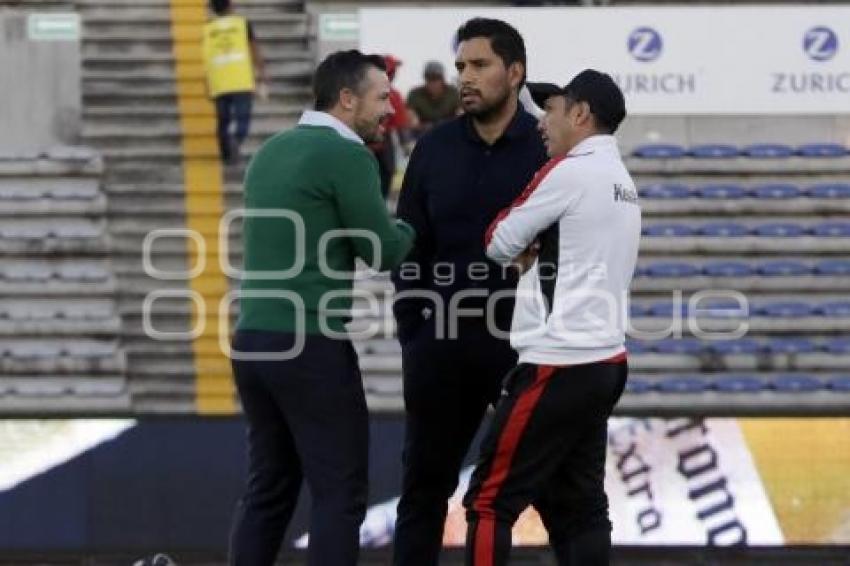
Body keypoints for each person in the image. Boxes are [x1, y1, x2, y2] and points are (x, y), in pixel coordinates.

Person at [229, 50, 415, 566]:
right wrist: (417, 224)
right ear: (347, 99)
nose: (389, 110)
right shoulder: (347, 154)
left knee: (268, 489)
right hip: (309, 344)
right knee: (340, 493)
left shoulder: (271, 150)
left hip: (252, 341)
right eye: (382, 98)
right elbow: (384, 251)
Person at [463, 69, 641, 566]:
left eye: (553, 108)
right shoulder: (621, 180)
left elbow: (498, 241)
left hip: (557, 362)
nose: (543, 120)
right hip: (605, 360)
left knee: (488, 503)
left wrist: (530, 249)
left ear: (581, 114)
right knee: (580, 509)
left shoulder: (570, 170)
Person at [391, 18, 548, 566]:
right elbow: (410, 245)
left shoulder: (546, 147)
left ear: (515, 71)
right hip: (441, 345)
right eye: (461, 66)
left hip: (523, 348)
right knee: (422, 492)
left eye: (479, 65)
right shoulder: (433, 148)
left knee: (555, 496)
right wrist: (414, 333)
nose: (466, 76)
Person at [202, 0, 267, 164]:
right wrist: (261, 72)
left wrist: (206, 84)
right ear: (230, 6)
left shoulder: (208, 29)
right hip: (241, 80)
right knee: (243, 118)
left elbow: (206, 58)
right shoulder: (242, 24)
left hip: (219, 82)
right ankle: (236, 141)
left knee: (222, 121)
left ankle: (226, 155)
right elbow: (254, 49)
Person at [368, 54, 411, 198]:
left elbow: (400, 123)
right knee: (381, 174)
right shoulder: (393, 95)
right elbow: (401, 124)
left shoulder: (393, 95)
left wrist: (405, 144)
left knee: (387, 173)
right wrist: (405, 144)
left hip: (381, 141)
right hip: (368, 142)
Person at [406, 60, 460, 136]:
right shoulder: (415, 95)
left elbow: (461, 115)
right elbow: (412, 121)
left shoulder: (453, 93)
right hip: (423, 133)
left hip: (451, 132)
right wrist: (422, 126)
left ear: (442, 80)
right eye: (429, 79)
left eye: (436, 79)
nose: (433, 83)